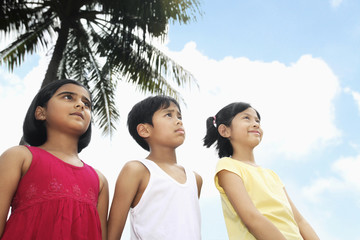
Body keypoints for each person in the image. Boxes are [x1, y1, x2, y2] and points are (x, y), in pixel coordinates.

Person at [0, 79, 109, 240]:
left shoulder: (99, 181)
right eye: (68, 97)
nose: (80, 105)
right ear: (41, 113)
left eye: (86, 103)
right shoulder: (19, 156)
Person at [203, 102, 319, 240]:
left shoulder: (271, 175)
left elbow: (300, 221)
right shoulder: (227, 166)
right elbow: (252, 218)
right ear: (225, 131)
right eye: (246, 118)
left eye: (257, 120)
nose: (256, 124)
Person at [108, 95, 202, 240]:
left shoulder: (195, 179)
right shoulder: (136, 170)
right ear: (144, 130)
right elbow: (111, 235)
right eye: (168, 115)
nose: (178, 121)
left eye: (179, 116)